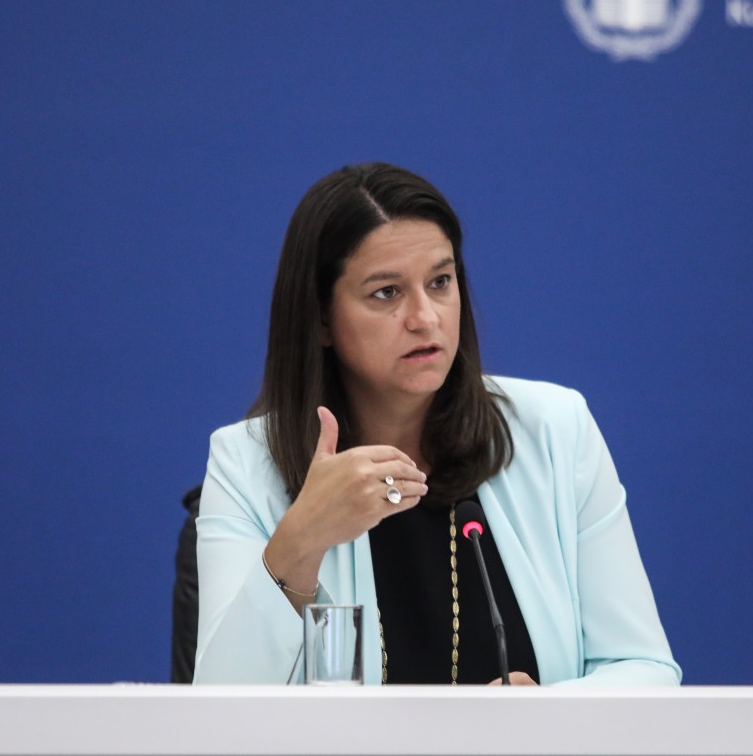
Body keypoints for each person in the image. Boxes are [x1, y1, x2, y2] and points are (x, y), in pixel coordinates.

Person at [193, 163, 680, 686]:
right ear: (320, 318)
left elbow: (644, 668)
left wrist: (549, 715)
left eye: (440, 282)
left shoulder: (556, 431)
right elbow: (218, 710)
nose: (426, 317)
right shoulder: (246, 464)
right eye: (387, 292)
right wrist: (302, 538)